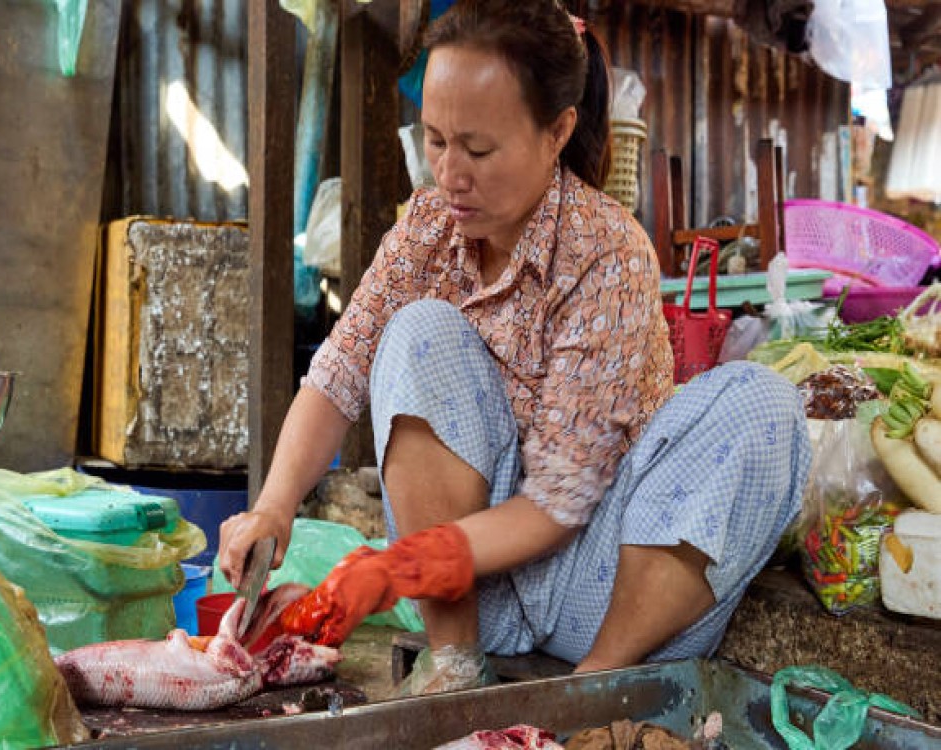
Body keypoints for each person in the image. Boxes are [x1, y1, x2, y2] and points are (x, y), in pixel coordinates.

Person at [219, 0, 811, 693]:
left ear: (557, 131)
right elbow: (340, 372)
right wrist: (275, 504)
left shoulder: (607, 252)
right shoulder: (427, 230)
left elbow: (561, 503)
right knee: (417, 334)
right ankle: (454, 664)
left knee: (764, 403)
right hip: (475, 594)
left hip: (601, 586)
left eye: (477, 148)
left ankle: (592, 690)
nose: (450, 173)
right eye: (436, 140)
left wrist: (399, 565)